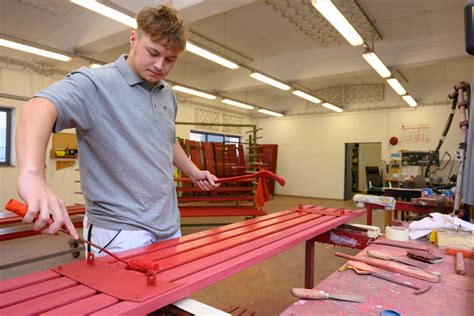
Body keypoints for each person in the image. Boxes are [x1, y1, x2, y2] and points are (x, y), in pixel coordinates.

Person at [16, 5, 219, 255]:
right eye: (152, 52)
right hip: (120, 230)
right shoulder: (97, 84)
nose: (159, 65)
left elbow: (166, 139)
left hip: (167, 223)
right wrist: (33, 175)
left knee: (170, 293)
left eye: (170, 59)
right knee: (120, 295)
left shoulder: (166, 94)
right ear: (134, 38)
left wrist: (193, 171)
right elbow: (37, 107)